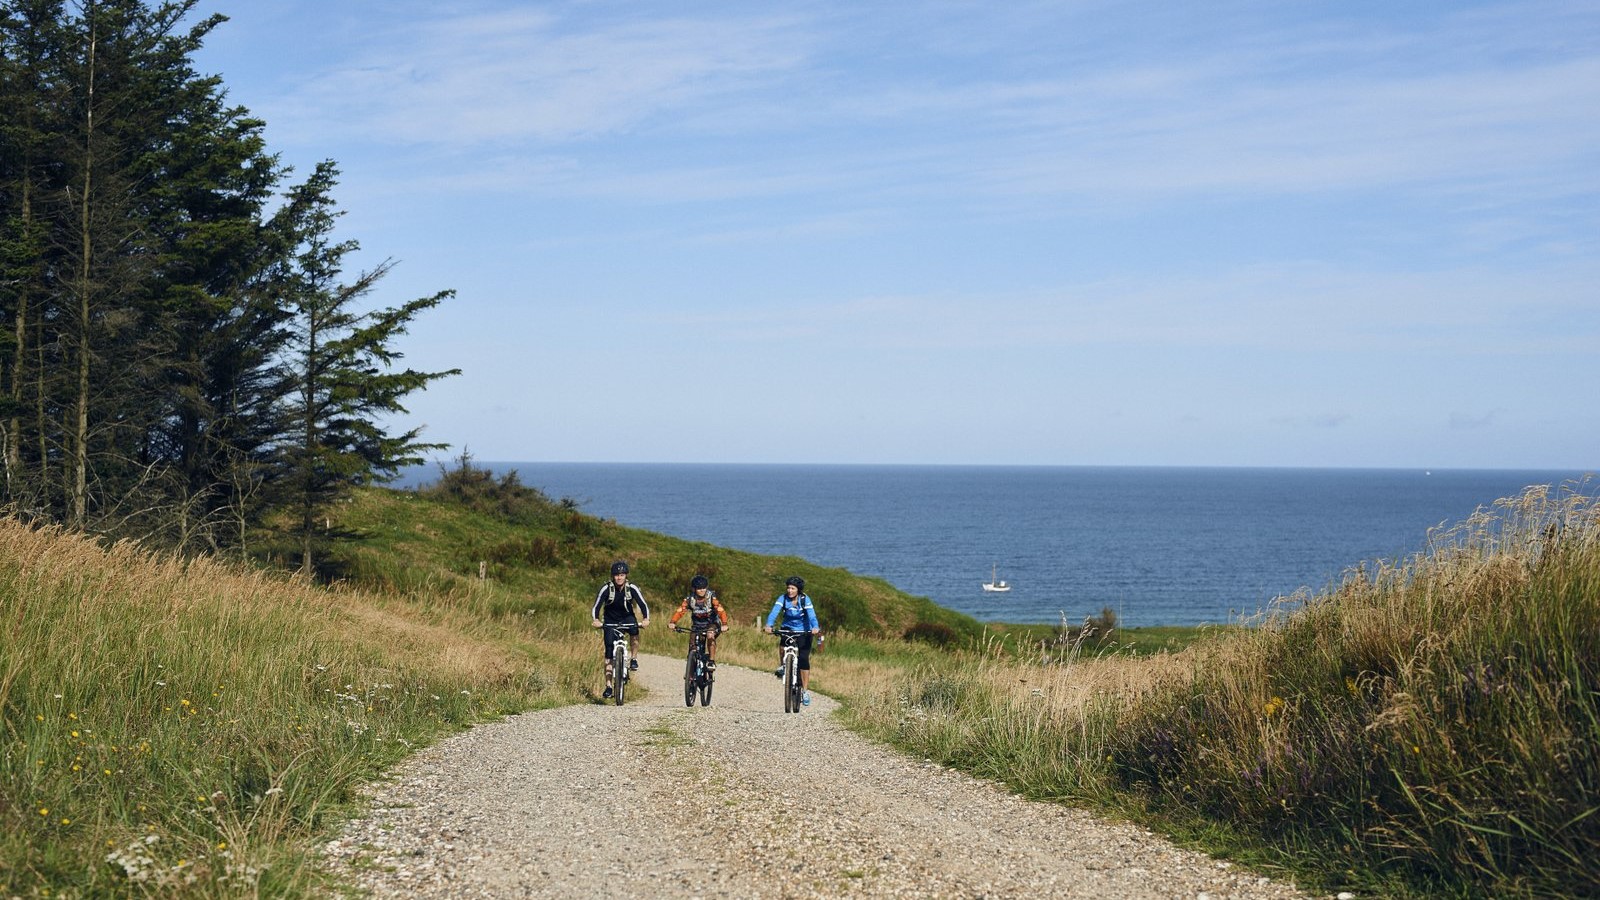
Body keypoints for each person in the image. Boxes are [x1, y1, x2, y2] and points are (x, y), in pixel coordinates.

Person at [591, 560, 650, 699]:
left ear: (626, 576)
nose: (619, 577)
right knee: (609, 653)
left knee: (635, 632)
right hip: (610, 620)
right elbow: (596, 606)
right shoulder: (606, 588)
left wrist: (646, 619)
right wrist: (596, 619)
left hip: (627, 618)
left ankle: (634, 658)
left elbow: (643, 604)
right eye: (616, 575)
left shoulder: (632, 588)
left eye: (622, 575)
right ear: (613, 576)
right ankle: (609, 686)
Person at [764, 576, 821, 706]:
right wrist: (769, 625)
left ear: (798, 590)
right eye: (788, 588)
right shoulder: (782, 598)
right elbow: (774, 612)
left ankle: (805, 691)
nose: (789, 590)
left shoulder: (804, 599)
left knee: (803, 660)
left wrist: (815, 627)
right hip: (788, 628)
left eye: (792, 588)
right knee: (783, 645)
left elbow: (812, 615)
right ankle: (782, 665)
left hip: (804, 630)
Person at [668, 575, 729, 666]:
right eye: (699, 588)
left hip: (711, 624)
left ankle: (711, 661)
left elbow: (720, 610)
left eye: (704, 588)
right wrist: (673, 622)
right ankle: (690, 671)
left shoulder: (711, 598)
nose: (702, 590)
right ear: (694, 589)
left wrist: (724, 624)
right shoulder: (690, 599)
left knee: (710, 635)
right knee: (692, 646)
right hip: (697, 625)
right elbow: (680, 611)